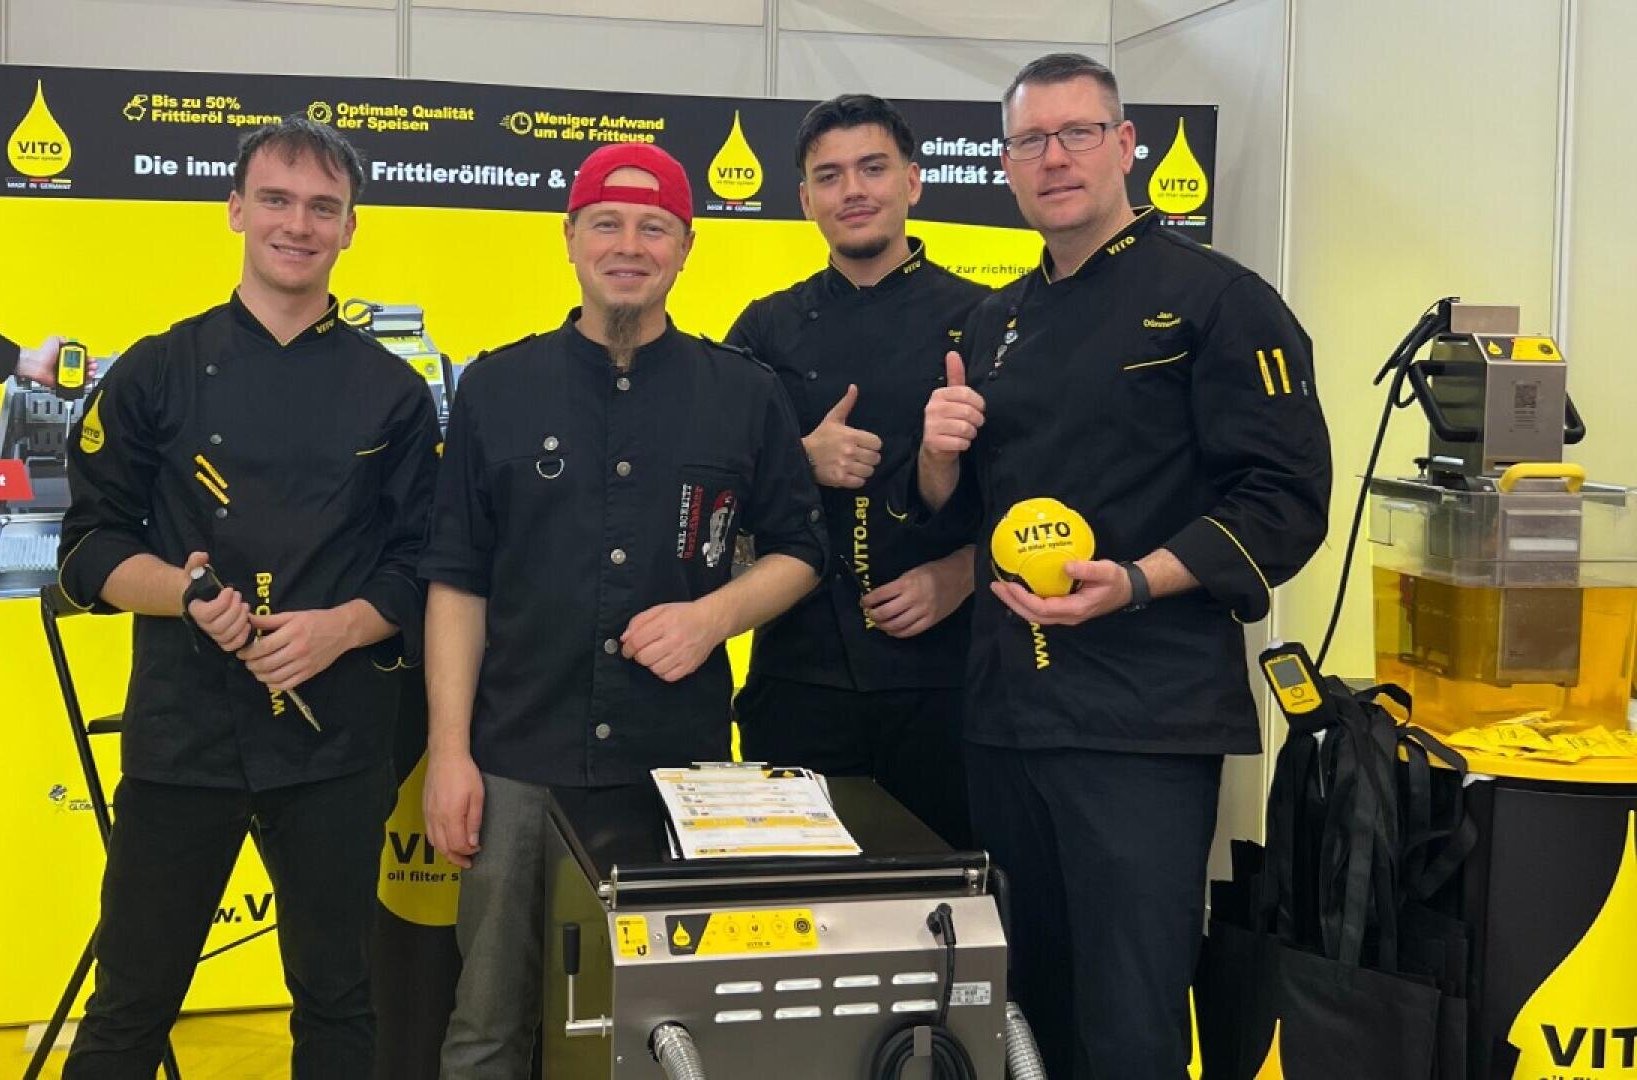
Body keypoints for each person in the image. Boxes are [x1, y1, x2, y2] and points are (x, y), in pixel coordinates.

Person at [906, 54, 1331, 1078]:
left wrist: (1139, 580)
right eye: (1028, 142)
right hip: (1007, 713)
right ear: (1003, 164)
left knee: (1131, 1020)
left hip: (1140, 723)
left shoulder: (1218, 300)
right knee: (1025, 1009)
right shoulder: (989, 324)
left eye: (1077, 134)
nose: (1053, 159)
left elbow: (1285, 501)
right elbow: (955, 519)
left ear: (1127, 143)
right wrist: (935, 452)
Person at [420, 143, 828, 1079]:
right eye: (607, 222)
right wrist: (450, 752)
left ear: (686, 247)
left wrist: (712, 617)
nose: (629, 245)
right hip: (517, 764)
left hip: (673, 776)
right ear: (570, 238)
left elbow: (803, 552)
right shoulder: (496, 387)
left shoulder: (742, 392)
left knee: (659, 1030)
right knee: (486, 1027)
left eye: (655, 228)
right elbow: (457, 580)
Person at [55, 116, 440, 1079]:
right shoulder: (157, 370)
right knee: (131, 1004)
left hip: (338, 743)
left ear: (350, 227)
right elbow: (89, 550)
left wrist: (338, 629)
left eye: (323, 207)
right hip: (185, 738)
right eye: (275, 199)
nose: (297, 224)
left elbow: (420, 563)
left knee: (341, 1001)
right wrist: (183, 594)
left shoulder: (393, 393)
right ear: (235, 210)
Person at [726, 94, 986, 849]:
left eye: (872, 168)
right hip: (798, 671)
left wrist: (965, 569)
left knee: (949, 903)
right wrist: (797, 461)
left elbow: (1042, 487)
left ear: (913, 181)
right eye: (830, 177)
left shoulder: (988, 317)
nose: (854, 191)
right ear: (806, 201)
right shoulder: (764, 328)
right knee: (797, 907)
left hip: (947, 676)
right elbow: (707, 486)